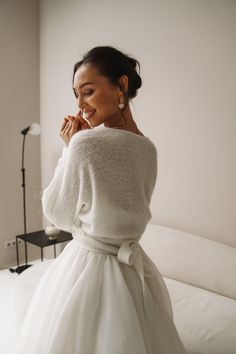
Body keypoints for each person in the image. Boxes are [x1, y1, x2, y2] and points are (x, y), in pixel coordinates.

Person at [13, 46, 187, 354]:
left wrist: (70, 148)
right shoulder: (149, 149)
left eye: (88, 92)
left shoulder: (85, 144)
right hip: (131, 272)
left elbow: (58, 215)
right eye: (76, 95)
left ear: (121, 86)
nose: (80, 104)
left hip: (88, 266)